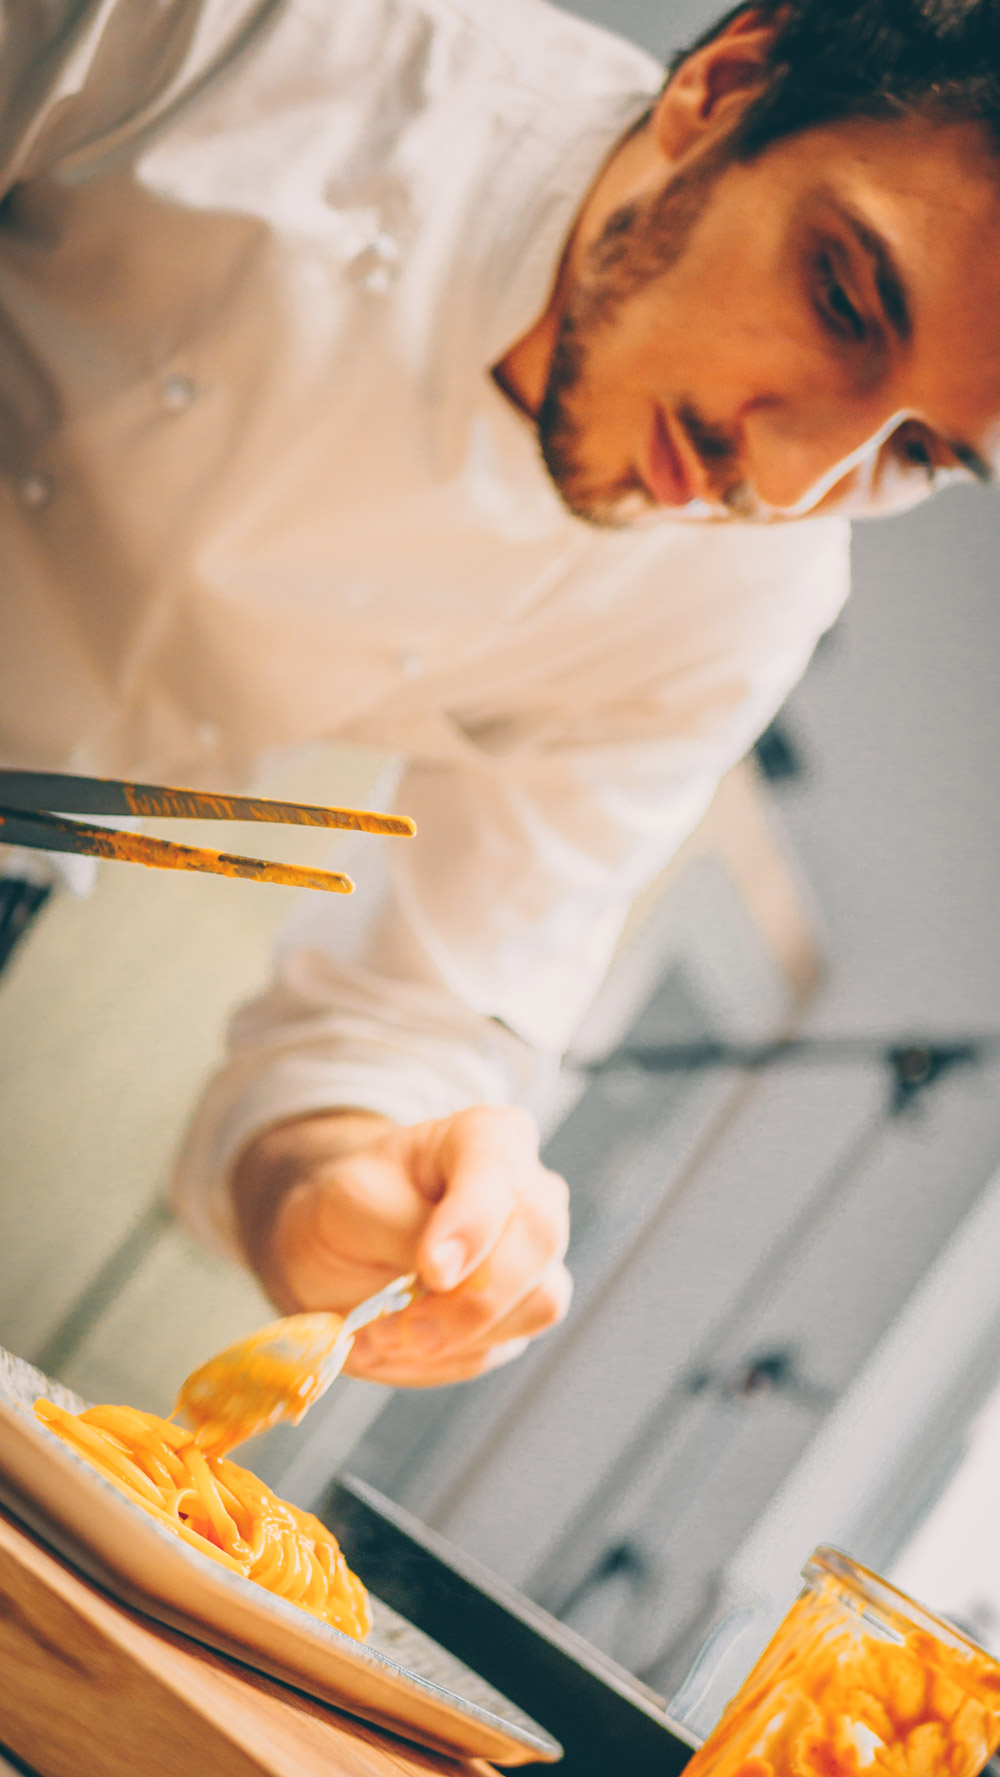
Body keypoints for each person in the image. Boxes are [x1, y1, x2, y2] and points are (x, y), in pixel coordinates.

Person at [2, 0, 1000, 1389]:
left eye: (921, 455)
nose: (782, 483)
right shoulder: (259, 34)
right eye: (842, 296)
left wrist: (348, 1190)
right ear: (726, 84)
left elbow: (392, 1032)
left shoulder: (745, 599)